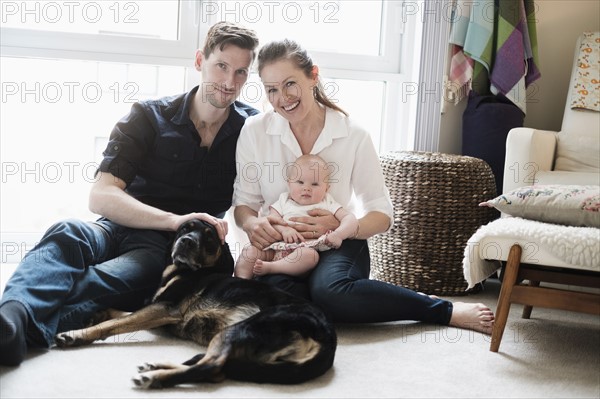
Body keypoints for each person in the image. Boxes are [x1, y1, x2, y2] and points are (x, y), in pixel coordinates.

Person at [0, 21, 259, 367]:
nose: (229, 83)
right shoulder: (148, 116)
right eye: (221, 66)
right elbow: (102, 196)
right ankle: (11, 320)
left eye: (241, 72)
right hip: (114, 224)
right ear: (199, 61)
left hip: (166, 249)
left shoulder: (252, 130)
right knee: (67, 232)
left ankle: (19, 329)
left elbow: (258, 199)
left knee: (119, 276)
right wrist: (173, 220)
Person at [232, 39, 495, 334]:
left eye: (290, 83)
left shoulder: (353, 135)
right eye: (272, 90)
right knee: (276, 298)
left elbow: (382, 214)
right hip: (284, 248)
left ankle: (440, 309)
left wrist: (340, 227)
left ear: (313, 76)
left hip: (339, 244)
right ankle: (361, 301)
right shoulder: (255, 131)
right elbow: (244, 204)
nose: (283, 97)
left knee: (331, 291)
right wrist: (253, 224)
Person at [234, 153, 358, 279]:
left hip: (302, 253)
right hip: (276, 248)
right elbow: (272, 220)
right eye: (300, 182)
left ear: (326, 188)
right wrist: (285, 229)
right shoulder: (284, 200)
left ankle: (271, 268)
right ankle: (240, 283)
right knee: (249, 251)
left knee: (310, 256)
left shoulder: (327, 202)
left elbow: (351, 219)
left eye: (315, 184)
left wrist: (338, 235)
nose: (306, 188)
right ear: (289, 184)